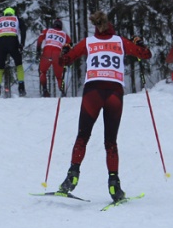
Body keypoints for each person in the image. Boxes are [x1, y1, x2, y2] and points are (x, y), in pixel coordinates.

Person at [56, 11, 152, 202]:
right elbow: (145, 55)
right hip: (114, 93)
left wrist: (65, 50)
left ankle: (71, 177)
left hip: (93, 91)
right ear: (110, 26)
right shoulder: (120, 41)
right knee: (111, 142)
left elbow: (64, 61)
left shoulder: (88, 42)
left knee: (82, 136)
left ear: (96, 27)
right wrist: (140, 43)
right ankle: (114, 185)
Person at [0, 7, 27, 98]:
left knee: (0, 68)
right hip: (13, 42)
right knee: (19, 65)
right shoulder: (16, 19)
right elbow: (23, 29)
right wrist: (22, 43)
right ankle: (21, 87)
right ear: (13, 13)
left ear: (4, 14)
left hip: (1, 43)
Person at [35, 18, 70, 96]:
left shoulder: (48, 30)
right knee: (59, 77)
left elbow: (40, 39)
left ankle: (45, 90)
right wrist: (65, 51)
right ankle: (62, 92)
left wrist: (38, 50)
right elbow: (70, 44)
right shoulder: (65, 34)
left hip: (47, 52)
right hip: (58, 54)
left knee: (42, 72)